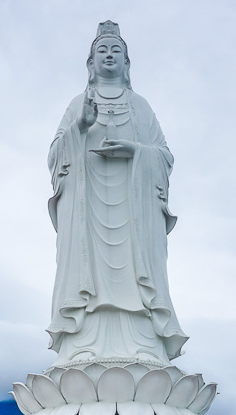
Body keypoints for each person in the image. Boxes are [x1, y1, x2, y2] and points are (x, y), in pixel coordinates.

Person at [46, 21, 188, 366]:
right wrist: (80, 126)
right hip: (88, 207)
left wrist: (135, 151)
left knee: (136, 276)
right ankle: (83, 343)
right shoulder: (78, 103)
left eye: (116, 51)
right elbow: (54, 155)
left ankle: (145, 346)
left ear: (127, 63)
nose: (109, 56)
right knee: (87, 271)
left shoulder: (140, 106)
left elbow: (164, 155)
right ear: (90, 63)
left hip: (133, 214)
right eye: (102, 51)